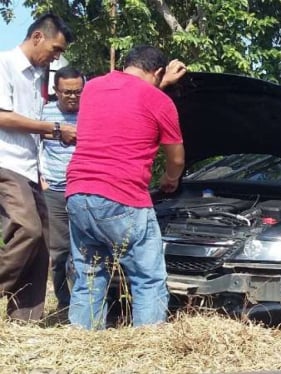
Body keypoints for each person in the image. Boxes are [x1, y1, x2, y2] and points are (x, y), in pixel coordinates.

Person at [65, 45, 186, 330]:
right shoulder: (159, 100)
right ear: (157, 72)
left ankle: (81, 342)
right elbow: (177, 159)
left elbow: (126, 100)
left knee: (89, 277)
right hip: (122, 197)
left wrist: (160, 84)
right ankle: (146, 347)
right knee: (147, 278)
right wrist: (170, 179)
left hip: (78, 195)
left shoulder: (93, 87)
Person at [0, 14, 75, 322]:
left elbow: (30, 126)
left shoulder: (37, 76)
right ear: (37, 38)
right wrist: (55, 128)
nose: (56, 56)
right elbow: (3, 117)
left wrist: (59, 135)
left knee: (43, 242)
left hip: (30, 168)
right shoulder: (4, 64)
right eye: (55, 49)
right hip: (6, 161)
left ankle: (24, 320)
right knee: (27, 229)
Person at [39, 66, 84, 311]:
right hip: (54, 191)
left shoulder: (92, 113)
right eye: (67, 92)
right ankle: (64, 303)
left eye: (78, 92)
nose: (72, 97)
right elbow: (32, 146)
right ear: (56, 90)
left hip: (84, 191)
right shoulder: (42, 114)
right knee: (58, 253)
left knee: (85, 251)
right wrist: (40, 179)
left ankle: (83, 303)